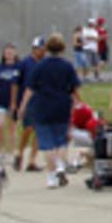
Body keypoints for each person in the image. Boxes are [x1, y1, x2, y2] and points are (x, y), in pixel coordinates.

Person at [18, 33, 82, 189]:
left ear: (47, 48)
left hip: (43, 106)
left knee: (47, 144)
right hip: (62, 106)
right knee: (61, 141)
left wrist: (23, 106)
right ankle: (60, 165)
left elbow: (30, 88)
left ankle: (52, 177)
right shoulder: (67, 66)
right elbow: (74, 88)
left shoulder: (39, 66)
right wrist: (79, 103)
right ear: (62, 48)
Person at [14, 36, 46, 172]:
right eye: (39, 49)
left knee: (39, 131)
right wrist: (16, 103)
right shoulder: (25, 64)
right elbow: (16, 84)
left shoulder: (45, 63)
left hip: (42, 101)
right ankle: (20, 153)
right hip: (28, 101)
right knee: (28, 128)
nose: (42, 52)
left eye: (43, 49)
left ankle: (32, 160)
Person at [0, 44, 22, 158]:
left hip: (14, 102)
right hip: (1, 102)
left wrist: (17, 103)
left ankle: (12, 150)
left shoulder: (19, 67)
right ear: (3, 54)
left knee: (12, 128)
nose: (9, 54)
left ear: (15, 54)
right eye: (7, 52)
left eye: (11, 52)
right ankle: (2, 149)